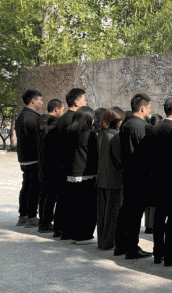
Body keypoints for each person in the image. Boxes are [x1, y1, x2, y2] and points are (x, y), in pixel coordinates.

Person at [146, 97, 172, 266]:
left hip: (157, 180)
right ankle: (170, 254)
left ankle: (158, 252)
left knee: (159, 216)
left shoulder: (153, 130)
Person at [116, 93, 153, 259]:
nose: (150, 110)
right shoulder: (140, 126)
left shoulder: (126, 124)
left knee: (127, 210)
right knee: (135, 212)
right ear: (143, 108)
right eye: (149, 107)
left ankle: (121, 245)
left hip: (128, 173)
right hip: (139, 175)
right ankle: (131, 247)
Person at [52, 88, 87, 239]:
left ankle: (59, 229)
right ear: (76, 102)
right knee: (71, 199)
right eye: (84, 99)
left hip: (61, 163)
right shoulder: (74, 119)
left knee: (63, 198)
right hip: (71, 164)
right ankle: (66, 230)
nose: (86, 102)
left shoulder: (62, 118)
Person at [65, 106, 98, 244]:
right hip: (87, 173)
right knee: (87, 207)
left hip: (71, 174)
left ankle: (74, 234)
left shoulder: (69, 132)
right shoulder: (90, 134)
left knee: (74, 206)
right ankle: (84, 235)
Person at [96, 107, 125, 250]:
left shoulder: (101, 133)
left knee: (102, 212)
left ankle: (103, 241)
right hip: (114, 179)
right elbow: (119, 160)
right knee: (112, 213)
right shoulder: (115, 136)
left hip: (102, 177)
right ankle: (109, 242)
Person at [14, 89, 44, 227]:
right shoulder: (34, 118)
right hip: (34, 157)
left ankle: (23, 216)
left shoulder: (21, 115)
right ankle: (32, 217)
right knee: (34, 187)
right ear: (33, 101)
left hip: (24, 157)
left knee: (26, 185)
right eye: (40, 100)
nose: (42, 103)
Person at [37, 98, 65, 233]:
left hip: (42, 163)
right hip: (54, 165)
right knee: (51, 195)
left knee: (44, 193)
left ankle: (43, 221)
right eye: (62, 109)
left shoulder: (40, 122)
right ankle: (46, 223)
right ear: (56, 108)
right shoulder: (56, 124)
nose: (63, 112)